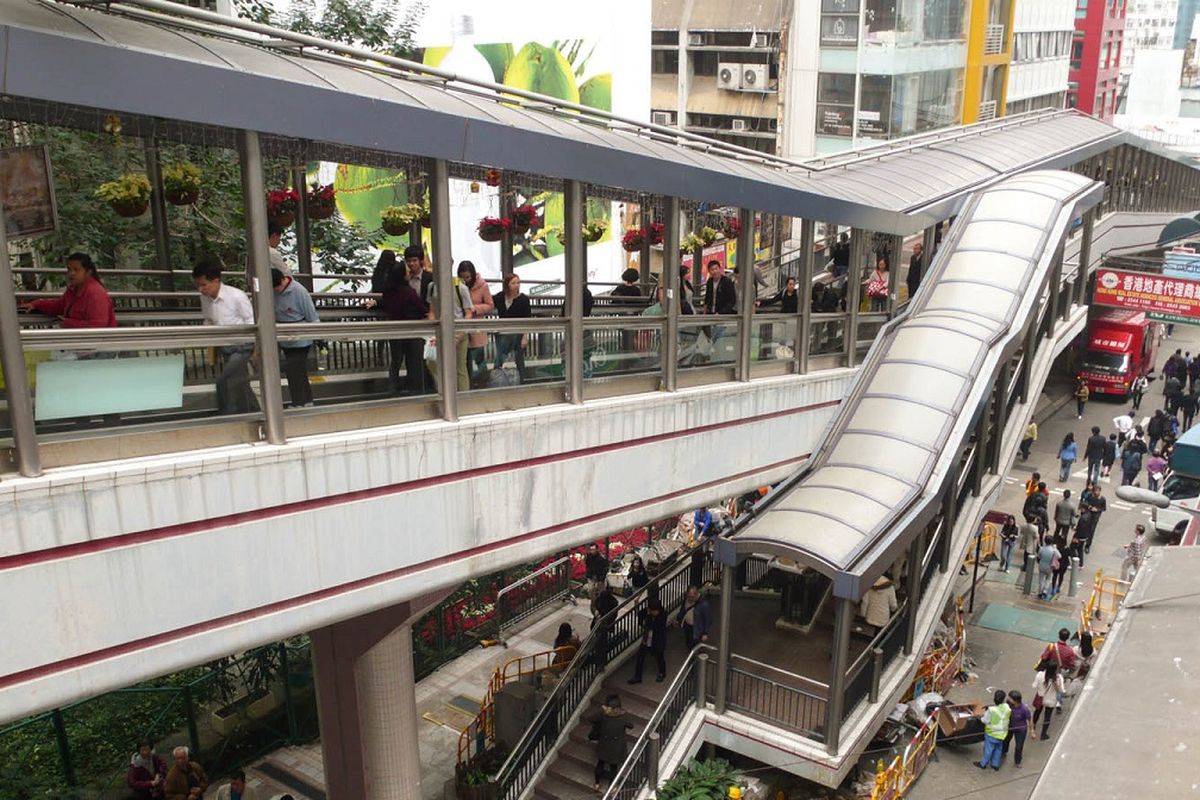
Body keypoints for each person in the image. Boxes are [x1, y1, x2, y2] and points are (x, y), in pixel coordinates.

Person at [193, 260, 256, 414]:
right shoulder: (205, 298)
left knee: (224, 381)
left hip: (242, 345)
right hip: (224, 345)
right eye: (198, 285)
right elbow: (208, 319)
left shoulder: (236, 296)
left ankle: (227, 415)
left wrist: (255, 349)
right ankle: (253, 411)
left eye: (204, 285)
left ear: (215, 281)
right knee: (239, 383)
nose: (201, 289)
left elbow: (251, 321)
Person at [20, 252, 117, 328]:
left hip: (98, 347)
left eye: (76, 270)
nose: (71, 273)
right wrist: (36, 304)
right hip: (78, 343)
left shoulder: (95, 293)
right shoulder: (73, 289)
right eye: (69, 269)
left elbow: (98, 326)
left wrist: (67, 322)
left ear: (88, 272)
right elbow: (59, 306)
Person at [380, 252, 429, 394]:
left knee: (396, 360)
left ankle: (393, 387)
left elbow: (385, 304)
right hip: (411, 328)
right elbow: (421, 308)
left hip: (394, 329)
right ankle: (415, 387)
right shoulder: (409, 292)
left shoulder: (388, 292)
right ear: (402, 275)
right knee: (413, 359)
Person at [271, 268, 319, 408]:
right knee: (297, 373)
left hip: (301, 337)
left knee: (292, 367)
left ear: (282, 281)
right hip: (284, 338)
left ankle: (301, 401)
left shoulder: (298, 291)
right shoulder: (272, 292)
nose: (276, 291)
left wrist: (316, 334)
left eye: (277, 288)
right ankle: (304, 401)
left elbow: (311, 315)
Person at [427, 268, 474, 392]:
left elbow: (468, 313)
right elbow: (431, 310)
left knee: (459, 366)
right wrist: (432, 331)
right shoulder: (432, 286)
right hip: (439, 331)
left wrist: (460, 334)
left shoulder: (460, 287)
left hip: (458, 330)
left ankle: (464, 395)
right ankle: (443, 392)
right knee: (433, 362)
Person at [457, 261, 494, 386]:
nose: (465, 280)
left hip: (476, 327)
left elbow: (490, 305)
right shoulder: (457, 286)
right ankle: (468, 384)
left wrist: (475, 308)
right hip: (462, 327)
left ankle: (483, 382)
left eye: (468, 277)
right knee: (464, 359)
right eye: (462, 277)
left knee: (479, 358)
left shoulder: (482, 285)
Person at [492, 273, 531, 383]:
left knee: (519, 358)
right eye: (513, 283)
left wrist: (525, 335)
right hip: (504, 332)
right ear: (507, 285)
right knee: (500, 356)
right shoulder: (500, 297)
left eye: (518, 283)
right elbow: (490, 302)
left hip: (517, 333)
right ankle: (496, 378)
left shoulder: (523, 299)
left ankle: (521, 381)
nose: (516, 285)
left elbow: (527, 319)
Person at [590, 694, 632, 791]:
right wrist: (625, 714)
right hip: (616, 747)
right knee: (613, 767)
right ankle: (612, 786)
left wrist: (602, 711)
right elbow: (631, 725)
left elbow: (591, 719)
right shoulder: (622, 719)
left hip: (604, 745)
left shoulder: (603, 716)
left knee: (600, 763)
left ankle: (597, 783)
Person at [628, 598, 667, 683]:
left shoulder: (662, 615)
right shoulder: (648, 612)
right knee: (640, 657)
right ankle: (638, 676)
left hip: (657, 640)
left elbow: (655, 626)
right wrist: (637, 607)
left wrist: (647, 619)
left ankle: (662, 673)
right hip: (647, 639)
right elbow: (640, 616)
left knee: (659, 657)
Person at [975, 689, 1011, 771]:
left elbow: (985, 720)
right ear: (1003, 699)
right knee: (998, 749)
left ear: (994, 699)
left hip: (992, 734)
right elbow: (1000, 709)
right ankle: (995, 765)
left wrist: (979, 718)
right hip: (1002, 734)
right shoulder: (1007, 707)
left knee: (988, 750)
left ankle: (983, 764)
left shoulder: (990, 711)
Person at [1031, 662, 1066, 740]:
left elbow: (1034, 685)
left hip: (1041, 698)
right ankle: (1043, 734)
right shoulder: (1058, 678)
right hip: (1051, 700)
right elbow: (1061, 690)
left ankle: (1033, 727)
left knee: (1037, 712)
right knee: (1047, 717)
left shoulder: (1040, 675)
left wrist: (1041, 689)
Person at [591, 584, 618, 667]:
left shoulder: (610, 601)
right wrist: (596, 612)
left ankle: (600, 663)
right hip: (601, 622)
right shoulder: (610, 600)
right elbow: (594, 606)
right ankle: (600, 662)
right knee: (600, 644)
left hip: (604, 624)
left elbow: (612, 615)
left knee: (601, 644)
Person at [1002, 690, 1031, 768]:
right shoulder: (1009, 704)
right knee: (1006, 740)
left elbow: (1029, 719)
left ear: (1016, 701)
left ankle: (1017, 761)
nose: (1008, 699)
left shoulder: (1024, 709)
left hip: (1020, 730)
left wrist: (1032, 731)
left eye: (1010, 698)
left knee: (1019, 746)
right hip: (1010, 726)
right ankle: (1004, 751)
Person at [1036, 535, 1060, 600]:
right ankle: (1045, 590)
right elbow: (1059, 556)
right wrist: (1055, 548)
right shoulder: (1053, 550)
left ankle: (1040, 592)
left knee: (1041, 579)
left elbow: (1039, 556)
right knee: (1048, 578)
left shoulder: (1041, 548)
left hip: (1042, 565)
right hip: (1050, 567)